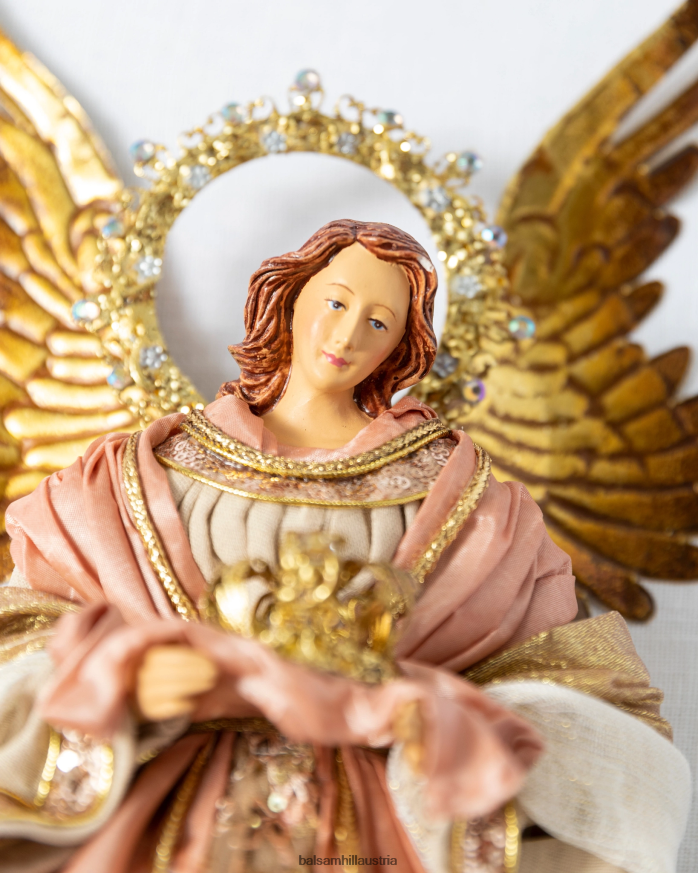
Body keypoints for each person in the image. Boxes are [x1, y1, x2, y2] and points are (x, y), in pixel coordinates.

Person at [0, 220, 690, 873]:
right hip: (172, 803)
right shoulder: (138, 474)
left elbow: (566, 679)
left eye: (378, 322)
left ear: (401, 346)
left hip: (380, 811)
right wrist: (119, 677)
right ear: (291, 296)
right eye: (334, 302)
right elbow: (28, 625)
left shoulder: (467, 500)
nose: (346, 334)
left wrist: (446, 721)